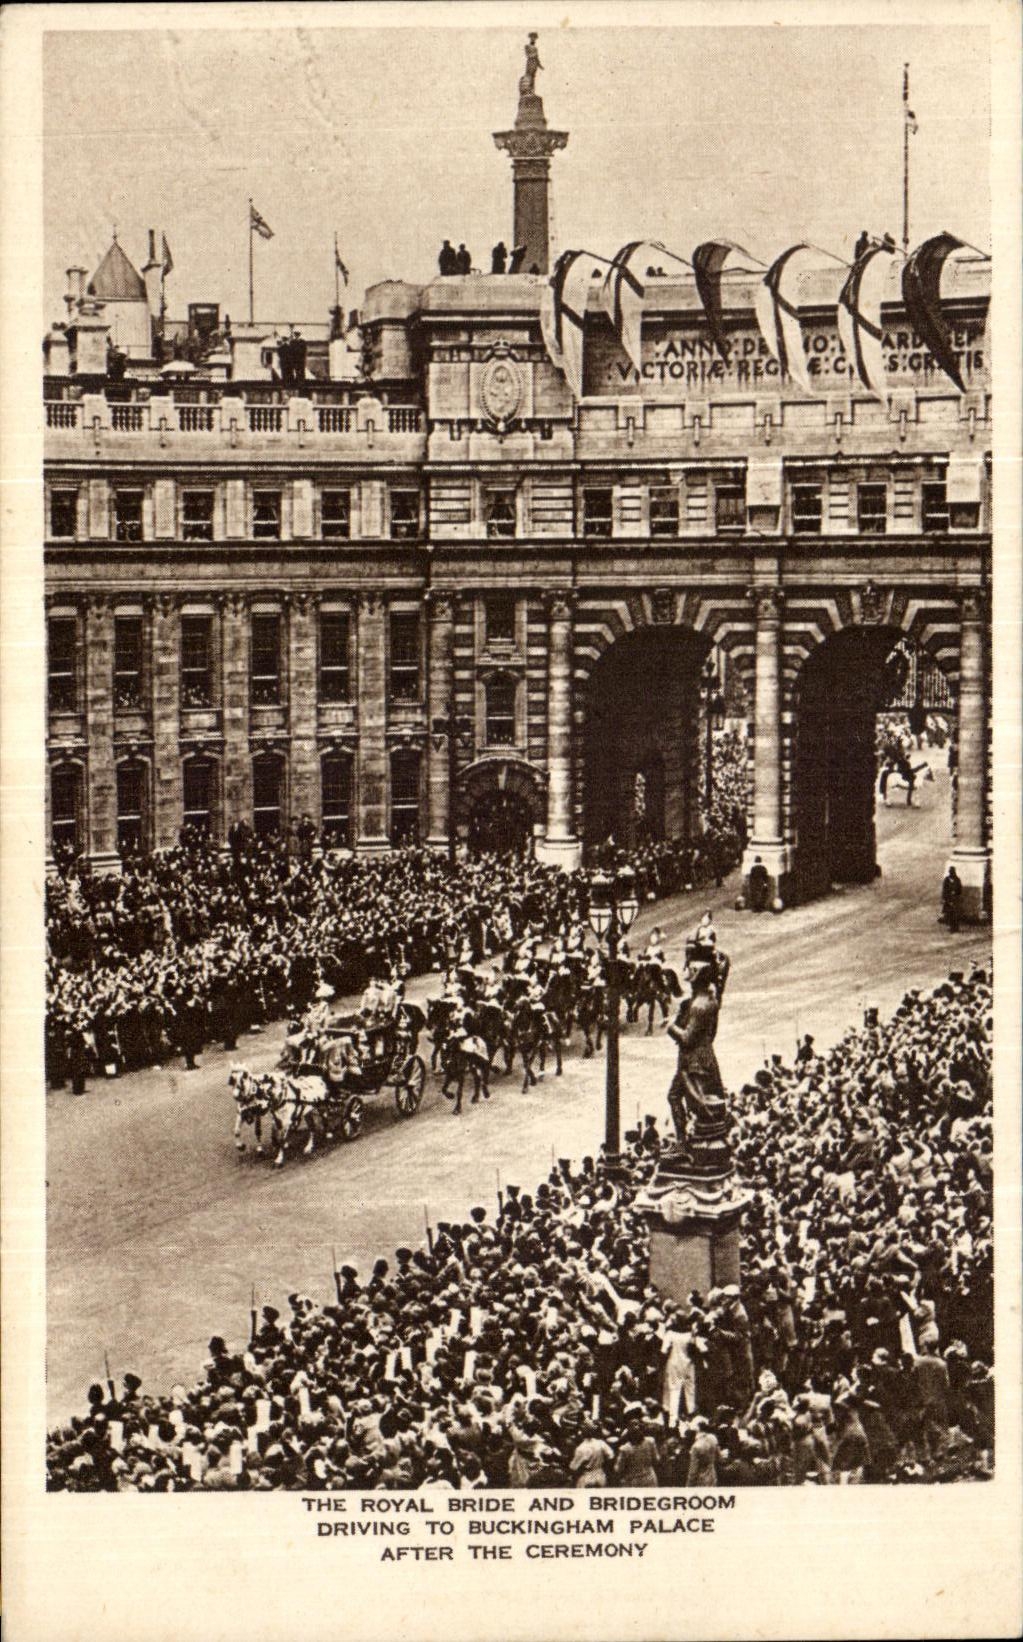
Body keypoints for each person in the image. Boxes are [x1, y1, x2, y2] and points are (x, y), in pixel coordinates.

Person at [941, 866, 963, 934]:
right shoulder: (946, 880)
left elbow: (960, 889)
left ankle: (955, 927)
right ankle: (951, 927)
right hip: (948, 899)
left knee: (955, 914)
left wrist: (955, 893)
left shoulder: (957, 879)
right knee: (949, 914)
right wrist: (945, 898)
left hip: (955, 899)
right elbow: (944, 890)